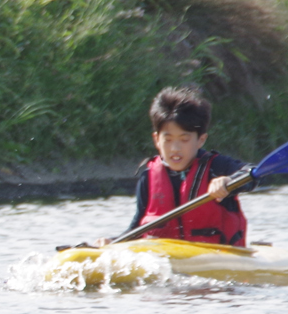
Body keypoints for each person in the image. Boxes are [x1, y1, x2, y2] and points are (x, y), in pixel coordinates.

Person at [99, 86, 256, 247]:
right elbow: (138, 227)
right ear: (156, 140)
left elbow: (252, 174)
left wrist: (228, 181)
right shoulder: (148, 176)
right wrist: (112, 243)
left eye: (184, 139)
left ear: (201, 140)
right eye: (168, 139)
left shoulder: (216, 166)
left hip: (217, 259)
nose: (175, 148)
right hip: (169, 262)